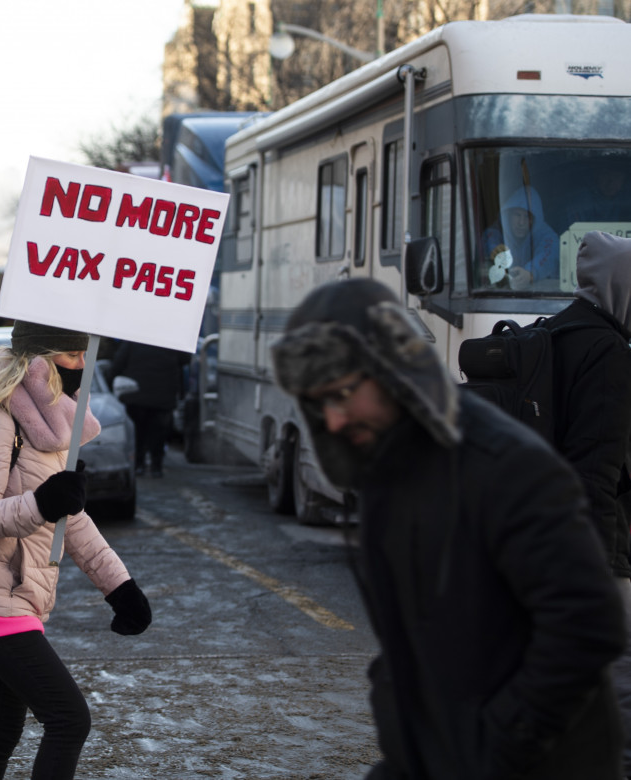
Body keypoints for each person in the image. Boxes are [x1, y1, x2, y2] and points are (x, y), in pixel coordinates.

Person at [270, 277, 625, 780]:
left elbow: (587, 624)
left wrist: (498, 745)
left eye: (344, 393)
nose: (333, 419)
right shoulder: (385, 475)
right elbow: (409, 642)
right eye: (318, 403)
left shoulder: (505, 464)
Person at [0, 320, 152, 780]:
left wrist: (120, 587)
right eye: (73, 355)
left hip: (9, 598)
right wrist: (42, 502)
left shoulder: (47, 426)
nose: (82, 366)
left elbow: (71, 520)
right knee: (69, 720)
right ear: (42, 360)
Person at [543, 230, 631, 776]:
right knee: (619, 680)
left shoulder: (553, 333)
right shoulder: (609, 352)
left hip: (541, 538)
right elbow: (595, 470)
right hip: (595, 549)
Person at [108, 340, 189, 477]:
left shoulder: (134, 339)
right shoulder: (172, 341)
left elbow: (118, 364)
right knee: (159, 434)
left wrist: (110, 383)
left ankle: (139, 465)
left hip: (136, 395)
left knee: (138, 433)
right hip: (163, 396)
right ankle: (156, 466)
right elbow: (185, 359)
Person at [481, 185, 560, 289]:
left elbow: (550, 253)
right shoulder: (497, 231)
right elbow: (489, 241)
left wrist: (530, 273)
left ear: (535, 219)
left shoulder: (545, 234)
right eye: (517, 215)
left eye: (527, 216)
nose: (521, 222)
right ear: (508, 215)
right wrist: (497, 253)